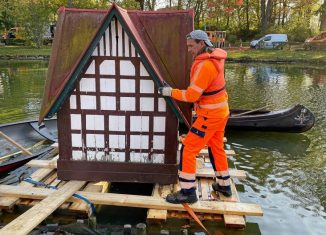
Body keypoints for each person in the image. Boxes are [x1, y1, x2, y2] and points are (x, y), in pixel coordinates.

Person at [158, 29, 232, 204]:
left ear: (201, 43)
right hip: (221, 112)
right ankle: (224, 185)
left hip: (210, 116)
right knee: (216, 148)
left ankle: (188, 192)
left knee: (188, 150)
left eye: (191, 46)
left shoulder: (205, 65)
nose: (189, 49)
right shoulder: (215, 58)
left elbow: (192, 96)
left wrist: (170, 92)